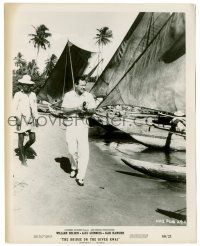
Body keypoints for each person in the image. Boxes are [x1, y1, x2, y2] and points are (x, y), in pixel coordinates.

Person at [62, 77, 96, 186]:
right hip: (71, 123)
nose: (83, 87)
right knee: (72, 150)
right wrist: (76, 109)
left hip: (83, 124)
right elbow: (64, 110)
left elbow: (93, 110)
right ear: (75, 85)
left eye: (84, 85)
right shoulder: (68, 95)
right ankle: (74, 167)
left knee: (84, 151)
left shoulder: (89, 96)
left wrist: (86, 111)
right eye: (81, 85)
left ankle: (81, 176)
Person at [13, 75, 39, 166]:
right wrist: (17, 119)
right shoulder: (18, 94)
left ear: (30, 86)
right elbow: (14, 108)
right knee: (21, 139)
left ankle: (23, 149)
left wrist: (36, 118)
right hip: (21, 119)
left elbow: (34, 107)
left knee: (32, 139)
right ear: (21, 85)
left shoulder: (33, 95)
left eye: (28, 85)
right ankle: (23, 159)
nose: (26, 86)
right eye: (24, 84)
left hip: (30, 119)